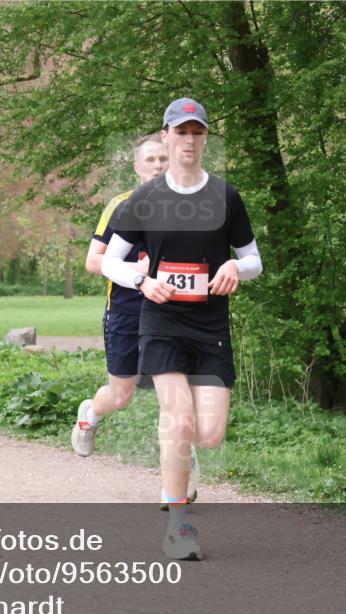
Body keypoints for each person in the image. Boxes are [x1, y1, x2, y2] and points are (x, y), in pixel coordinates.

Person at [102, 99, 263, 560]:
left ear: (205, 138)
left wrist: (234, 267)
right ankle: (178, 526)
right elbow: (110, 260)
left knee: (208, 433)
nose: (189, 140)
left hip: (210, 326)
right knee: (178, 417)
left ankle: (181, 450)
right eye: (181, 132)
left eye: (197, 132)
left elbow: (254, 259)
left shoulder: (226, 197)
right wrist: (142, 281)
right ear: (166, 136)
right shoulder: (145, 198)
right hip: (162, 321)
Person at [71, 133, 165, 454]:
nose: (157, 166)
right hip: (126, 310)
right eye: (150, 160)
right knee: (121, 395)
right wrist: (140, 271)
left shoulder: (187, 206)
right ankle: (90, 415)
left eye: (163, 159)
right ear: (137, 167)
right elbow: (92, 261)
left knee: (176, 385)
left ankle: (181, 459)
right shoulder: (122, 205)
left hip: (169, 311)